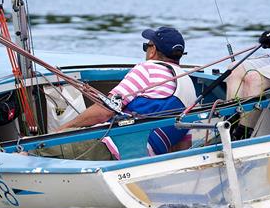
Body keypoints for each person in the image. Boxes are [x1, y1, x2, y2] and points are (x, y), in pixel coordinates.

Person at [56, 27, 197, 157]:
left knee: (42, 147)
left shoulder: (147, 69)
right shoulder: (189, 86)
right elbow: (183, 144)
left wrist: (65, 127)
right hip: (144, 157)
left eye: (146, 47)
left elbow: (106, 111)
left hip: (113, 147)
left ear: (153, 50)